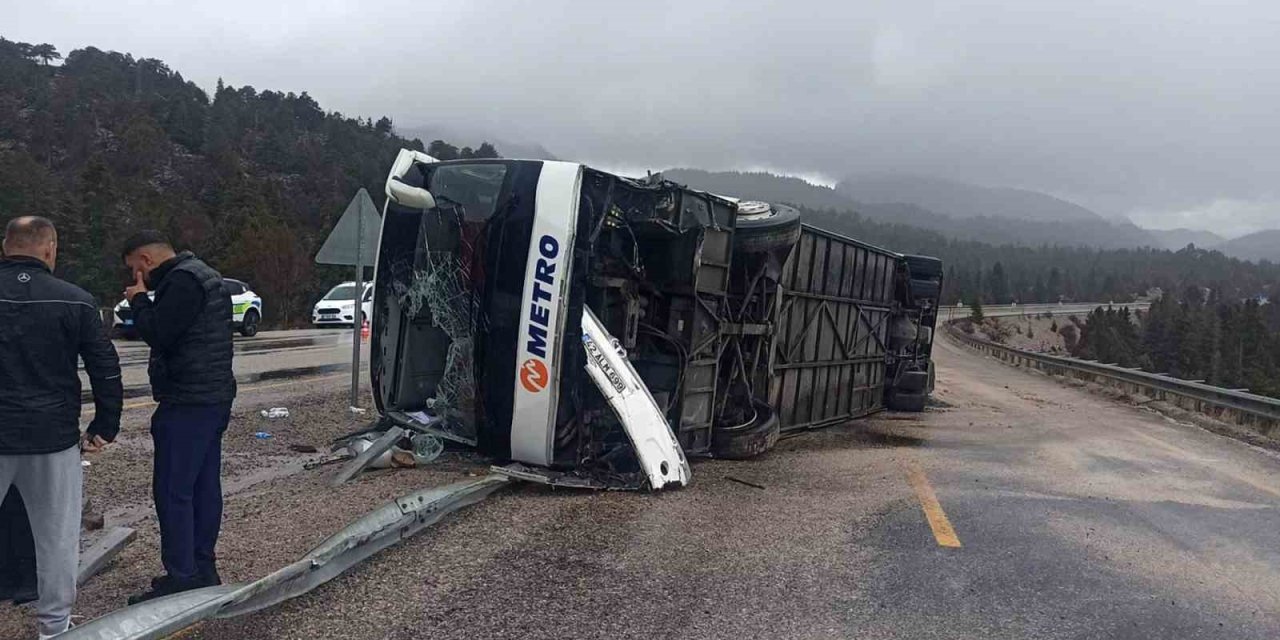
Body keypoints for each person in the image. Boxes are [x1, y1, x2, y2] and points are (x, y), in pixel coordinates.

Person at [0, 216, 122, 639]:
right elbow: (104, 368)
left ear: (5, 246)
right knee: (56, 539)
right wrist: (105, 424)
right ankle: (54, 628)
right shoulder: (75, 300)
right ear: (50, 249)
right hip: (51, 438)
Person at [121, 231, 236, 604]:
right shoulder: (205, 275)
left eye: (135, 269)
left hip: (188, 400)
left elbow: (159, 333)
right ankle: (203, 568)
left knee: (173, 490)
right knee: (203, 487)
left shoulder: (182, 281)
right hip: (212, 396)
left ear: (146, 260)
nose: (136, 278)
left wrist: (139, 301)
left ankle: (183, 576)